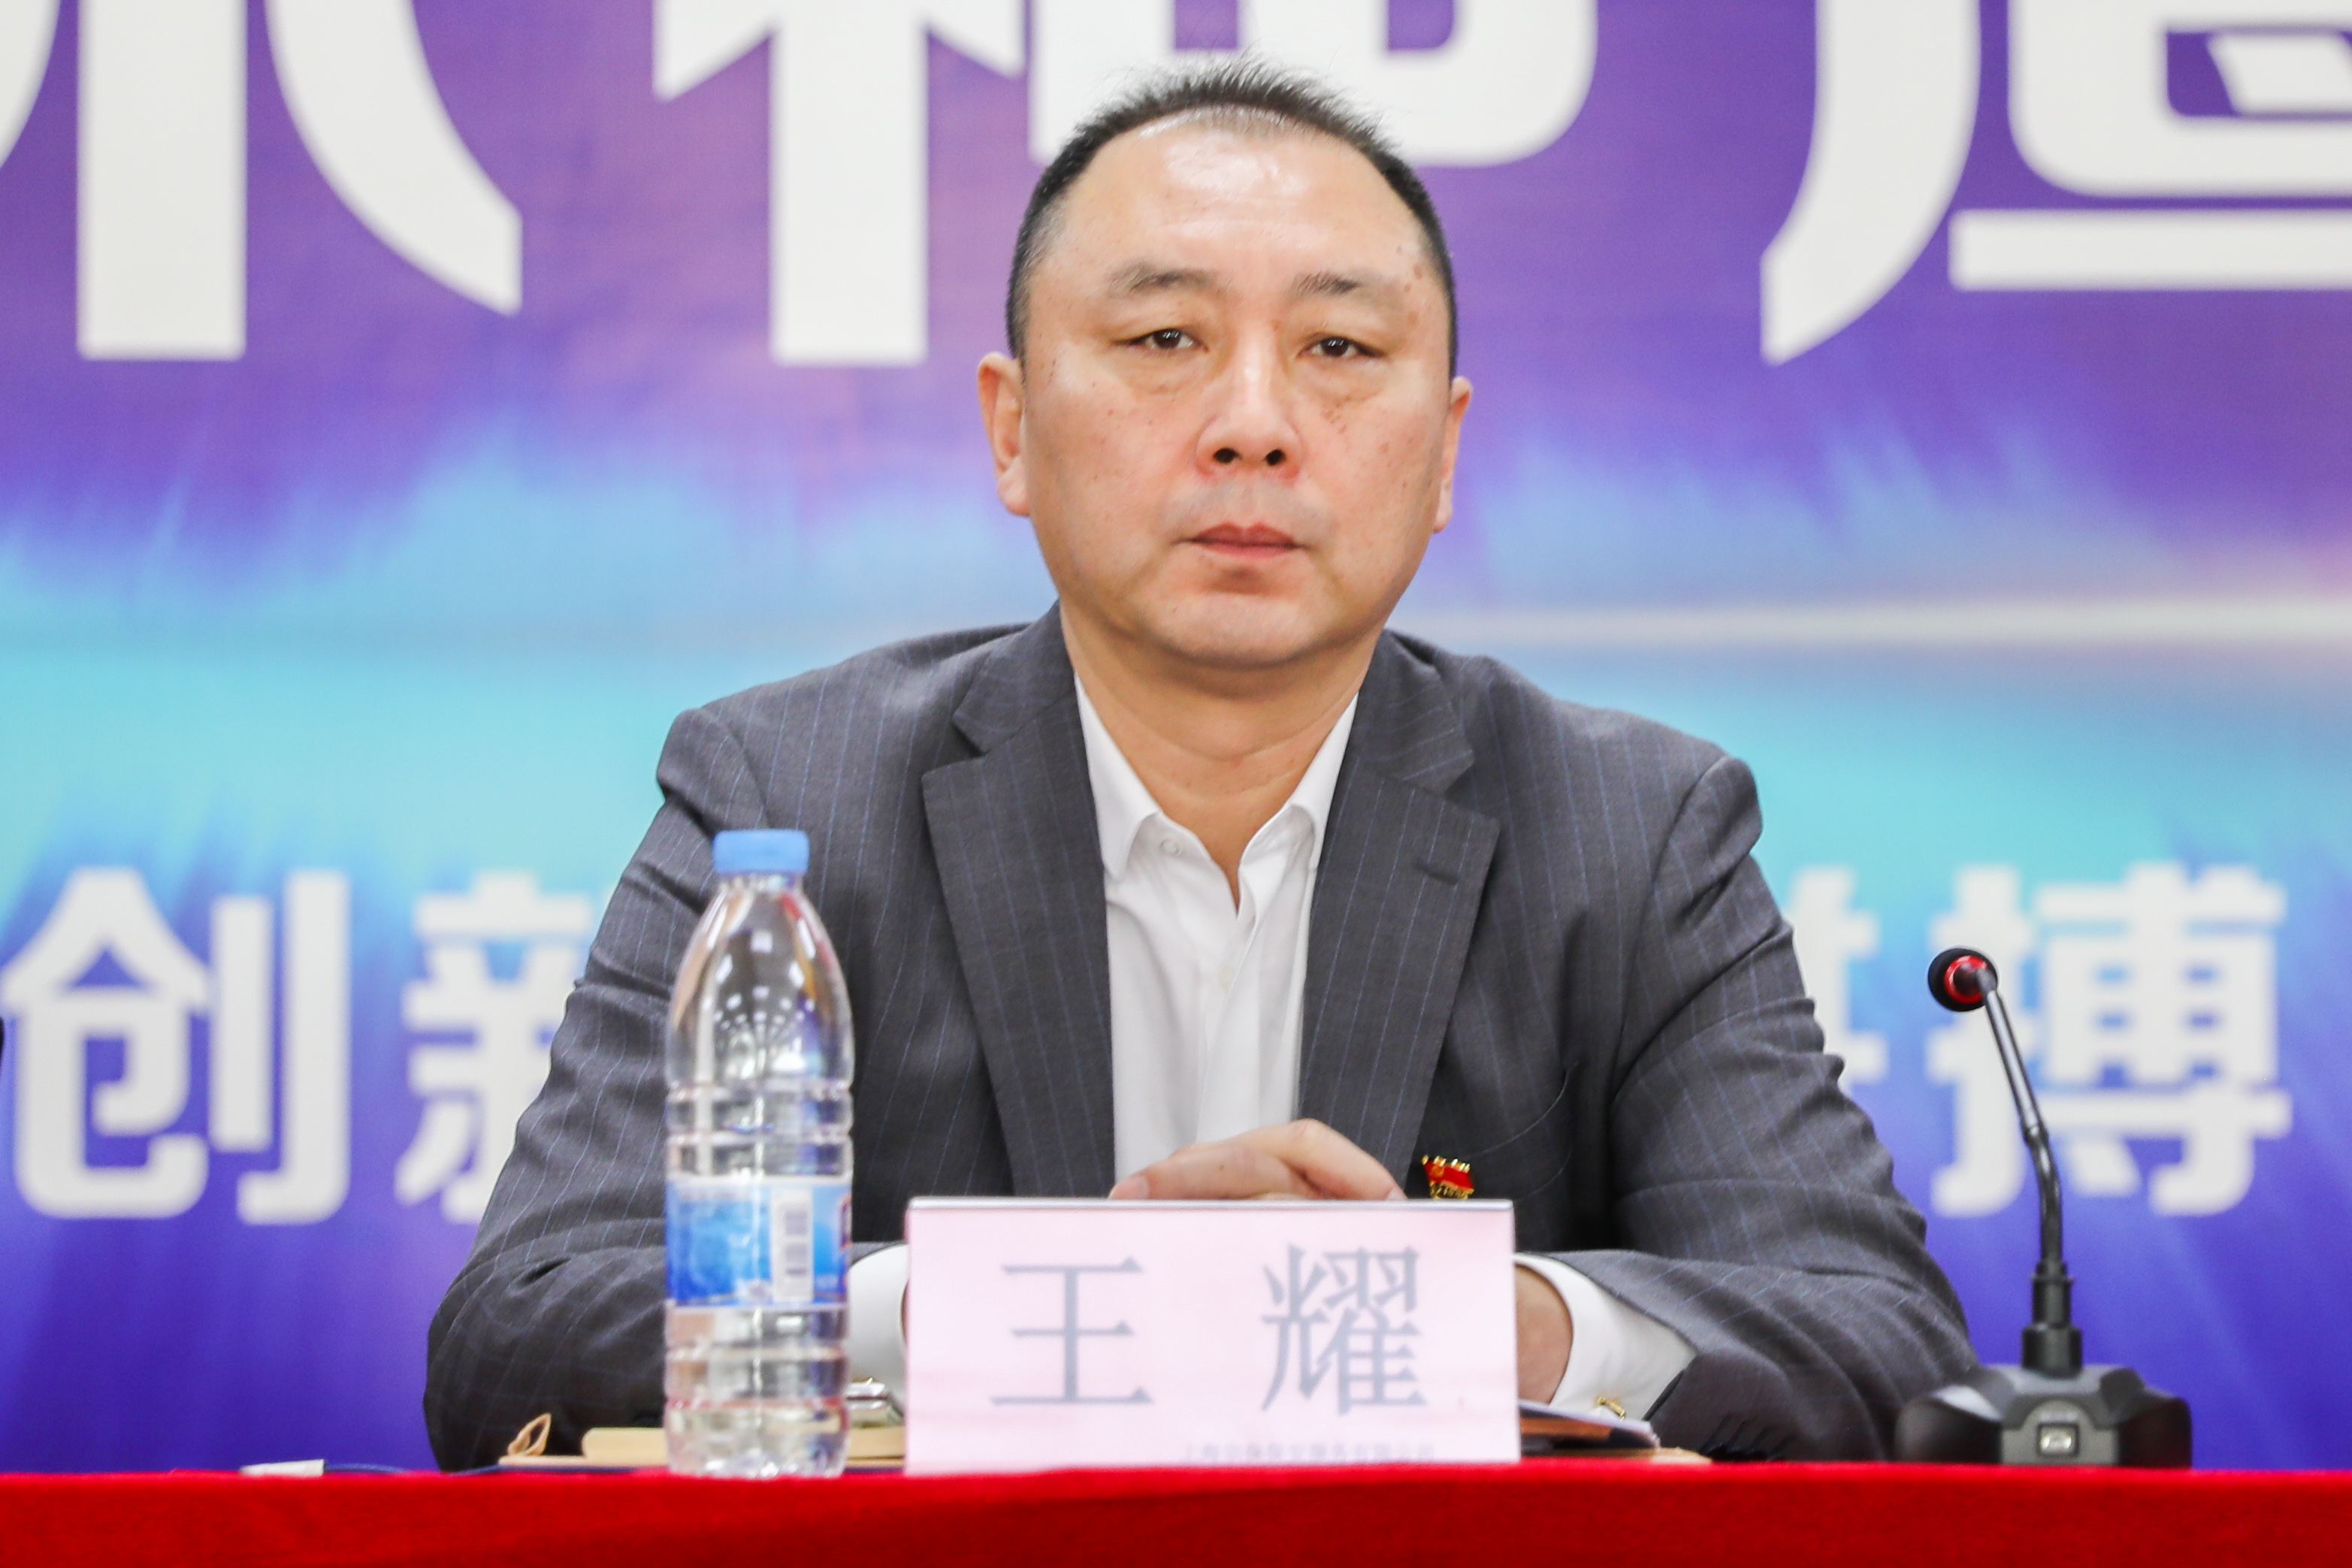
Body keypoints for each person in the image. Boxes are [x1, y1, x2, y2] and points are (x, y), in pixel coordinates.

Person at [425, 61, 1972, 1470]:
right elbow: (520, 1333)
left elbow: (1882, 1348)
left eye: (1338, 348)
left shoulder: (1628, 830)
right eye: (1163, 340)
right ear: (1011, 429)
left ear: (1443, 453)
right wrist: (1038, 1306)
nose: (1252, 425)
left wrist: (1487, 1321)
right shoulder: (789, 801)